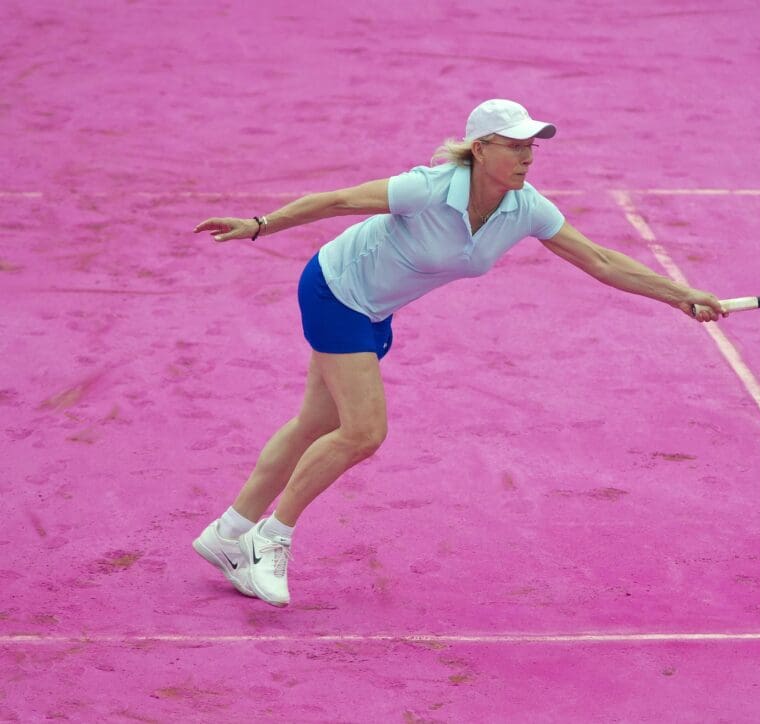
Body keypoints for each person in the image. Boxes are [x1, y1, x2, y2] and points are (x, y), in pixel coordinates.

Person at [191, 99, 725, 607]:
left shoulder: (525, 208)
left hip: (376, 309)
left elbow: (600, 260)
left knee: (315, 424)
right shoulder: (428, 187)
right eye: (514, 146)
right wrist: (259, 225)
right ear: (480, 149)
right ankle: (271, 538)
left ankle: (229, 532)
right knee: (363, 432)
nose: (527, 157)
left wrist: (680, 295)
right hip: (336, 291)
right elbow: (339, 201)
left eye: (532, 146)